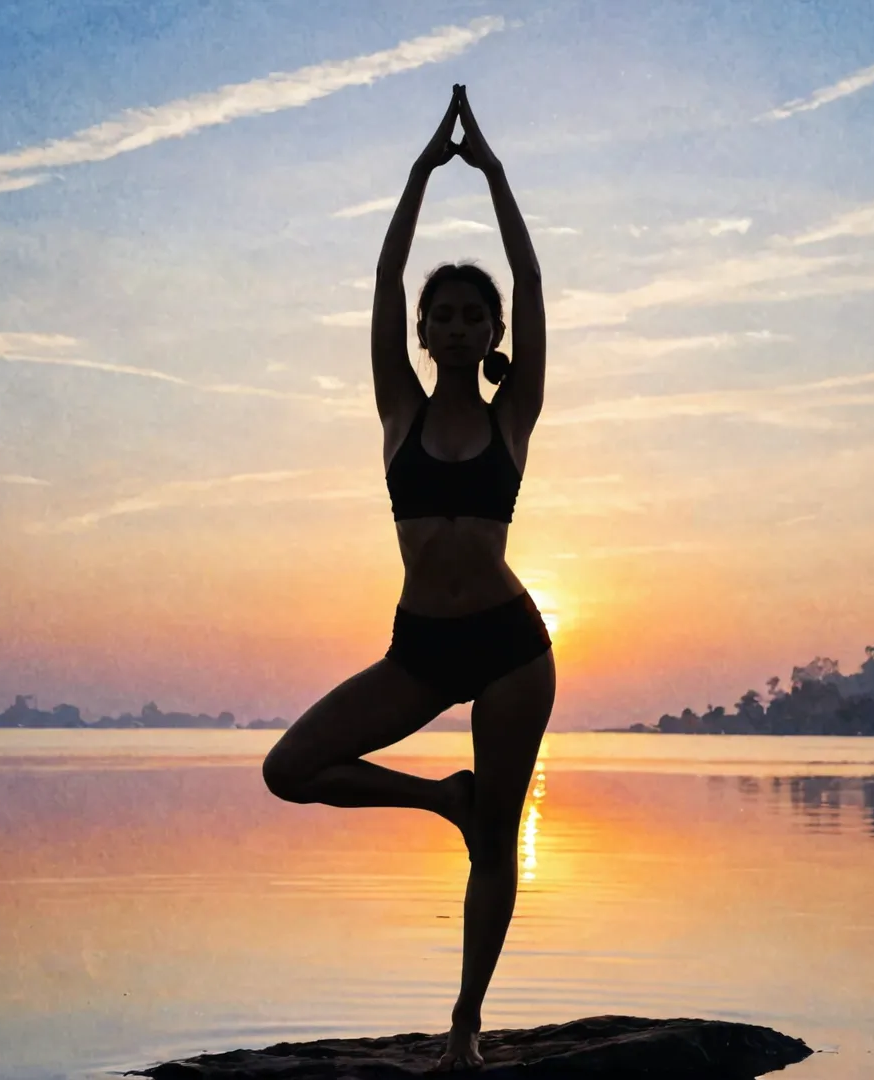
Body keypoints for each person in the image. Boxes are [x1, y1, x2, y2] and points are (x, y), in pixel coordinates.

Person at [261, 84, 556, 1071]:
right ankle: (442, 799)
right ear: (426, 335)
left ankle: (466, 1027)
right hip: (420, 650)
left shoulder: (514, 416)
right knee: (289, 770)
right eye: (447, 315)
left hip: (512, 647)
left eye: (477, 316)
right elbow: (385, 278)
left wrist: (501, 176)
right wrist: (424, 172)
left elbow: (533, 279)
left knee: (500, 844)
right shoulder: (400, 409)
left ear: (489, 331)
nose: (463, 326)